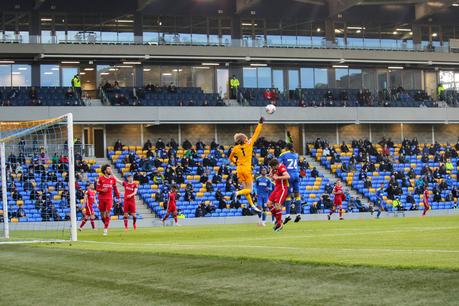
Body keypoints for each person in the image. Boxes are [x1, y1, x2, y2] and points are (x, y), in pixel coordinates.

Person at [228, 117, 264, 213]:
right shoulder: (249, 144)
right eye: (246, 137)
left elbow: (230, 158)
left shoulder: (235, 148)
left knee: (246, 189)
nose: (248, 138)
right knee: (250, 190)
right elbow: (256, 133)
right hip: (247, 170)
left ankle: (252, 205)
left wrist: (235, 162)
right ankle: (237, 193)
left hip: (239, 170)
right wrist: (260, 123)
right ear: (244, 139)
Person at [279, 141, 301, 224]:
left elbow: (279, 164)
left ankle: (287, 215)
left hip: (289, 175)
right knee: (297, 195)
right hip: (296, 175)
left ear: (286, 148)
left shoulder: (283, 154)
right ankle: (298, 214)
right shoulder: (296, 154)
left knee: (287, 196)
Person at [266, 158, 290, 232]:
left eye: (272, 167)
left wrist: (278, 177)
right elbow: (272, 177)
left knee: (277, 205)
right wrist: (271, 173)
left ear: (276, 165)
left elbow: (288, 176)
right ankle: (279, 220)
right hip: (276, 188)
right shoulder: (274, 169)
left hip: (282, 188)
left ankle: (279, 224)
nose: (272, 168)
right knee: (268, 204)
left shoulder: (281, 167)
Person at [96, 164, 120, 236]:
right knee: (102, 216)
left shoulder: (112, 179)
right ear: (105, 171)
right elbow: (97, 189)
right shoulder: (100, 179)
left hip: (109, 199)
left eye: (110, 169)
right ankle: (106, 225)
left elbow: (115, 189)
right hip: (101, 198)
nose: (110, 170)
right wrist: (102, 190)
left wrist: (118, 197)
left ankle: (105, 229)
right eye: (109, 169)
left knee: (107, 213)